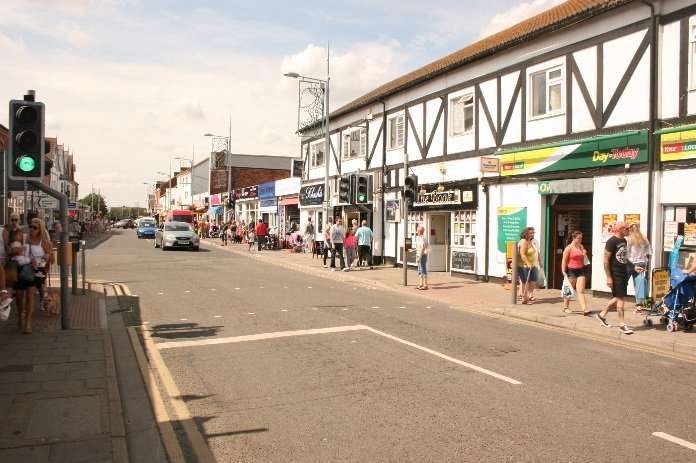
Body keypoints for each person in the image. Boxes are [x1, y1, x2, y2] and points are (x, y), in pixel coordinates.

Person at [596, 221, 639, 334]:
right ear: (620, 229)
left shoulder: (623, 240)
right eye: (626, 228)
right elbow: (605, 260)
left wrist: (633, 267)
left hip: (623, 272)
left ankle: (601, 315)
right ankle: (622, 324)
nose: (628, 230)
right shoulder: (611, 242)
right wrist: (608, 277)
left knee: (618, 296)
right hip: (615, 273)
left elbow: (623, 257)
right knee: (621, 298)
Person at [14, 218, 52, 334]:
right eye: (30, 226)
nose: (31, 229)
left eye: (34, 227)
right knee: (19, 297)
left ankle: (28, 322)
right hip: (21, 268)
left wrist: (47, 255)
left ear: (40, 229)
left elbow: (49, 253)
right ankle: (21, 314)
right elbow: (14, 247)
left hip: (35, 270)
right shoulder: (24, 237)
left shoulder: (43, 241)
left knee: (30, 296)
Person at [560, 230, 591, 316]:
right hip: (571, 270)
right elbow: (564, 260)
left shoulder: (580, 246)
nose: (580, 239)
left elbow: (583, 254)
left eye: (581, 238)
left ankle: (585, 309)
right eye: (579, 238)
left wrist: (584, 252)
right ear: (574, 238)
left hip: (580, 270)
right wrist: (563, 271)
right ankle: (566, 307)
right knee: (569, 290)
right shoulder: (568, 248)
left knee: (581, 291)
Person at [627, 224, 652, 314]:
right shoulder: (643, 239)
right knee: (640, 284)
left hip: (630, 263)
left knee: (622, 283)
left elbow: (626, 253)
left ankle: (617, 302)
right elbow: (649, 251)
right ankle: (639, 306)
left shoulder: (628, 239)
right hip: (641, 262)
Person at [517, 227, 538, 305]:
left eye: (533, 233)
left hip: (531, 265)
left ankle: (527, 297)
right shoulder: (523, 241)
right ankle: (524, 299)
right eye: (531, 233)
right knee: (526, 282)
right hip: (524, 265)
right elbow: (522, 254)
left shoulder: (530, 241)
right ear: (526, 233)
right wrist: (528, 263)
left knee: (532, 281)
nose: (532, 234)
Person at [415, 225, 429, 290]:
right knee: (419, 270)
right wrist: (413, 250)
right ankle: (420, 284)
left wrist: (419, 257)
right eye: (417, 231)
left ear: (421, 231)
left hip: (423, 255)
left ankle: (425, 285)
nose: (417, 232)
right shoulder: (419, 238)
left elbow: (423, 248)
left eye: (418, 231)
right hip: (419, 255)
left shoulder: (423, 238)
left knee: (423, 269)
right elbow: (419, 247)